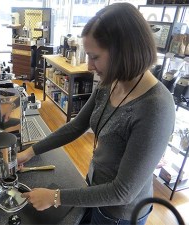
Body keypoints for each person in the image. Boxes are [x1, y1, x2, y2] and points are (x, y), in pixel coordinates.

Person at [17, 3, 176, 225]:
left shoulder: (156, 108)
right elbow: (76, 126)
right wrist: (29, 152)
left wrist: (55, 197)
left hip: (120, 213)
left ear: (123, 52)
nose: (90, 66)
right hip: (95, 189)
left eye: (94, 57)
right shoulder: (110, 82)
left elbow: (123, 192)